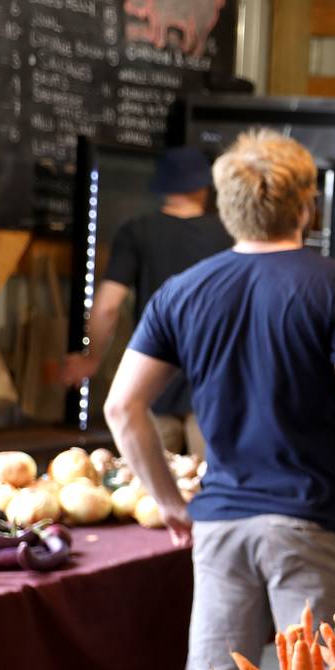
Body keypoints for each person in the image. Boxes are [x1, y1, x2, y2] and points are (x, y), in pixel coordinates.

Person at [103, 129, 335, 670]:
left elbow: (122, 408)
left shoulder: (182, 291)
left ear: (225, 207)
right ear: (307, 205)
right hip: (312, 520)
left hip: (221, 525)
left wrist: (169, 503)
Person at [62, 146, 233, 460]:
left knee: (148, 497)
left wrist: (91, 359)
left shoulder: (137, 232)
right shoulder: (229, 235)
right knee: (211, 492)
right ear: (204, 187)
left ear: (163, 188)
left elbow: (107, 306)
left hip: (153, 382)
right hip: (214, 386)